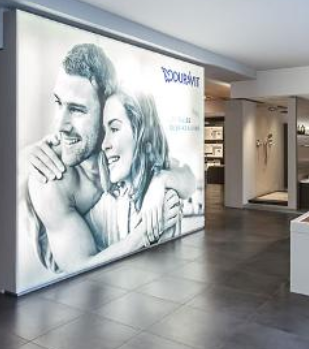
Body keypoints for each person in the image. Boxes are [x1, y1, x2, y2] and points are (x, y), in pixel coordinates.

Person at [22, 43, 191, 274]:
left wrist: (162, 180)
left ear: (106, 108)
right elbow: (80, 270)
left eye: (77, 109)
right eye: (58, 103)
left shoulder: (121, 152)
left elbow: (184, 174)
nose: (60, 126)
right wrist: (146, 231)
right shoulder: (51, 179)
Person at [85, 89, 194, 250]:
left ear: (142, 134)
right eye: (105, 132)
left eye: (114, 129)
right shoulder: (106, 205)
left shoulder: (164, 199)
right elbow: (81, 261)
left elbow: (187, 175)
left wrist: (161, 180)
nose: (104, 145)